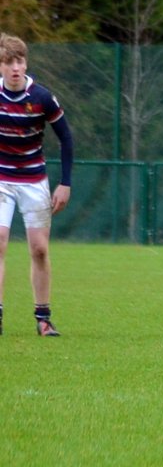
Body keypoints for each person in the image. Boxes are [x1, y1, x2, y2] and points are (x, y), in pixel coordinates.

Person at [0, 34, 72, 337]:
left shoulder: (41, 97)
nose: (15, 68)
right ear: (1, 66)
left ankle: (43, 318)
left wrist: (65, 183)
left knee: (40, 250)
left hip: (34, 181)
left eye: (19, 61)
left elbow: (66, 138)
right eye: (9, 62)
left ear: (26, 63)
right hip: (2, 179)